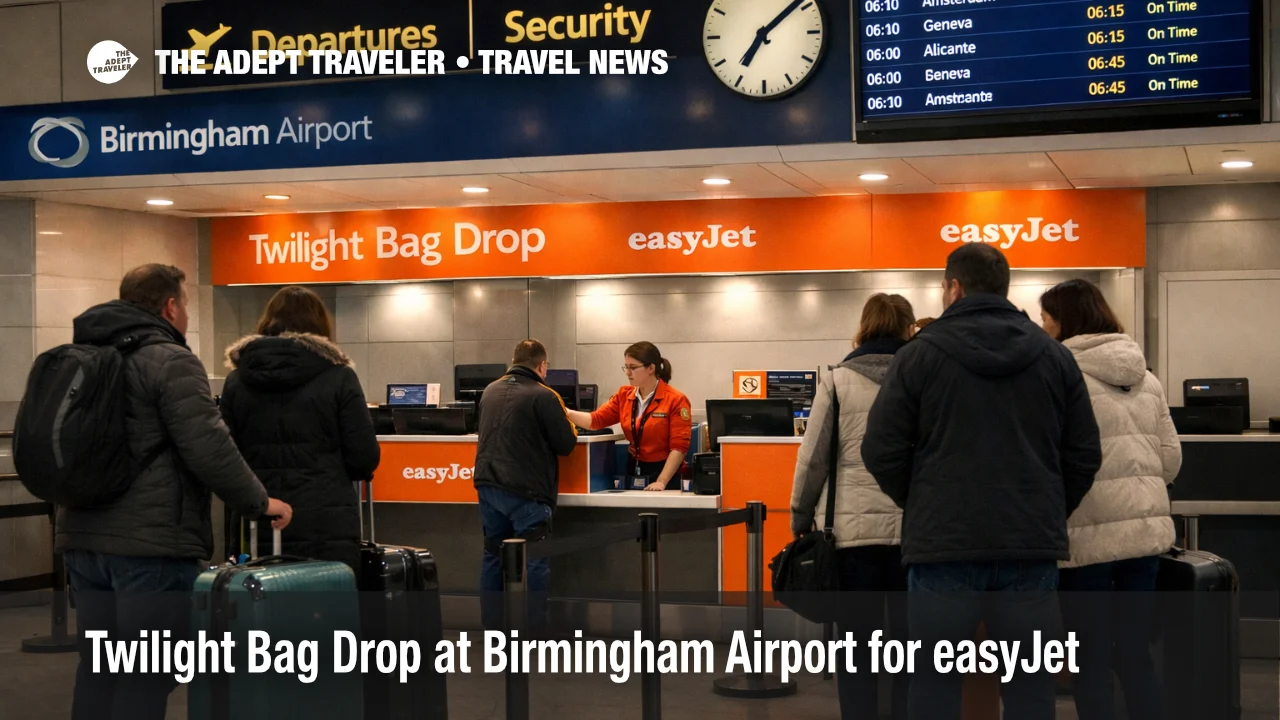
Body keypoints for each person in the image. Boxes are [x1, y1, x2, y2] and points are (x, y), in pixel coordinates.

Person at [861, 244, 1102, 720]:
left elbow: (880, 449)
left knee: (933, 686)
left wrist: (926, 500)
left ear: (954, 287)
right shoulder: (1054, 357)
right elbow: (1084, 455)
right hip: (1029, 547)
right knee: (1031, 689)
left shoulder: (918, 356)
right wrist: (1046, 506)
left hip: (943, 549)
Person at [56, 264, 292, 720]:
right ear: (169, 306)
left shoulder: (80, 354)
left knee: (99, 669)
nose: (185, 313)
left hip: (82, 538)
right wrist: (261, 503)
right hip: (149, 546)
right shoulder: (170, 359)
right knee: (146, 673)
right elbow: (209, 447)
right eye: (185, 303)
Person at [1040, 279, 1181, 720]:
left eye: (1046, 318)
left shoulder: (1060, 375)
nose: (1043, 327)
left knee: (1090, 659)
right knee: (1135, 652)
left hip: (1086, 540)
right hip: (1144, 538)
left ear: (1065, 321)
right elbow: (1171, 460)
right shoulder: (1147, 378)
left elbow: (1052, 458)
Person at [790, 293, 915, 720]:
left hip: (851, 537)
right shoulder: (924, 376)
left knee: (857, 646)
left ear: (864, 327)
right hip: (913, 533)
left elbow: (813, 459)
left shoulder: (838, 381)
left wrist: (800, 515)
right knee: (907, 646)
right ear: (908, 328)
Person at [220, 286, 381, 572]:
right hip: (326, 524)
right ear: (319, 326)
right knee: (324, 609)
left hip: (258, 519)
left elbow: (226, 455)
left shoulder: (237, 381)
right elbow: (364, 458)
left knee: (259, 611)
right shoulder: (339, 376)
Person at [473, 339, 579, 630]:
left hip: (488, 485)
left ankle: (493, 628)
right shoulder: (545, 395)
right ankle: (532, 630)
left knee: (493, 555)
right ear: (542, 365)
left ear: (513, 360)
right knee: (533, 560)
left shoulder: (489, 391)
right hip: (527, 491)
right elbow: (566, 443)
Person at [566, 342, 692, 491]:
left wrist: (661, 482)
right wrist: (566, 412)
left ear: (651, 368)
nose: (627, 372)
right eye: (626, 367)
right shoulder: (624, 395)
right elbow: (595, 421)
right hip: (635, 470)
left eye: (633, 367)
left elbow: (679, 448)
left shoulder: (676, 400)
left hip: (667, 474)